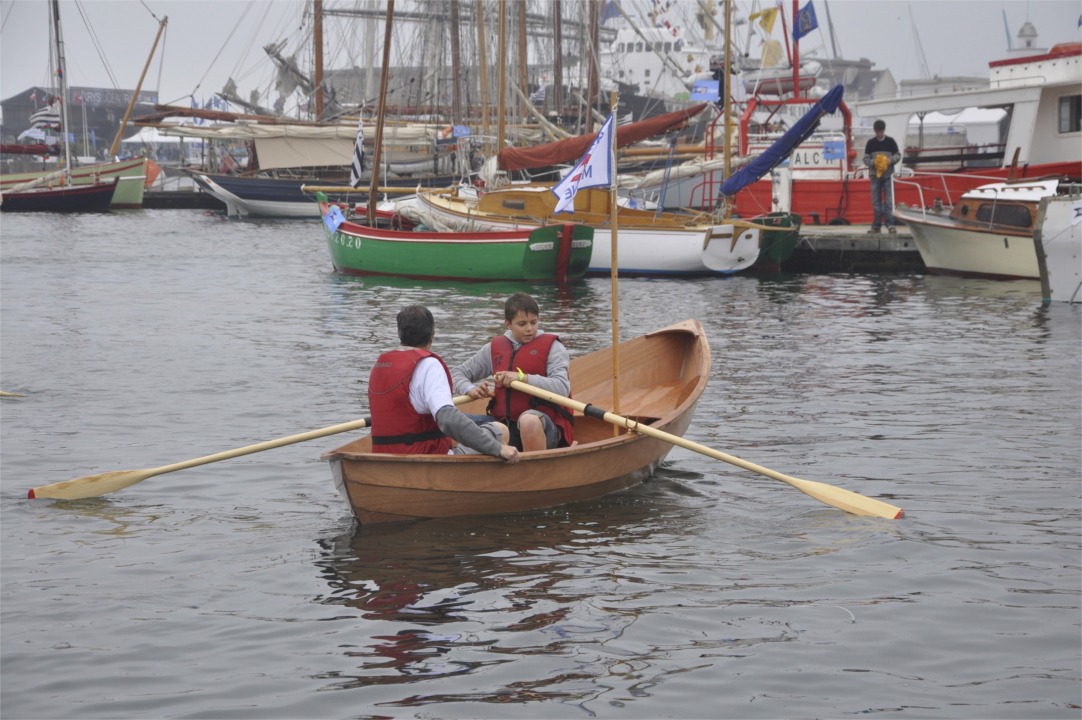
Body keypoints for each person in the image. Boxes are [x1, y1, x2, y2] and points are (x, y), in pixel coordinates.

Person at [368, 305, 519, 463]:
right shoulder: (429, 365)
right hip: (423, 458)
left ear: (399, 334)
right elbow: (447, 419)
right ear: (433, 333)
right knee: (500, 430)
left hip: (383, 456)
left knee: (455, 434)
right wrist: (498, 448)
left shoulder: (381, 363)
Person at [451, 293, 575, 453]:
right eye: (522, 324)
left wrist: (522, 378)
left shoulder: (554, 348)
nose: (529, 329)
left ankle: (533, 472)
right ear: (508, 324)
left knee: (528, 420)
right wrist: (470, 389)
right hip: (504, 427)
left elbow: (562, 388)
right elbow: (457, 373)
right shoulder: (495, 347)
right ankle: (460, 465)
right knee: (451, 421)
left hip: (543, 429)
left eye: (533, 322)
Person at [863, 119, 902, 234]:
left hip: (888, 176)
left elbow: (898, 155)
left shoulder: (890, 142)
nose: (879, 134)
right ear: (875, 131)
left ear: (884, 130)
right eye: (877, 132)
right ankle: (876, 225)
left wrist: (890, 161)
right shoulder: (870, 143)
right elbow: (865, 159)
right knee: (876, 201)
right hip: (875, 176)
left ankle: (890, 225)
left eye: (881, 131)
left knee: (889, 201)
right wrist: (874, 162)